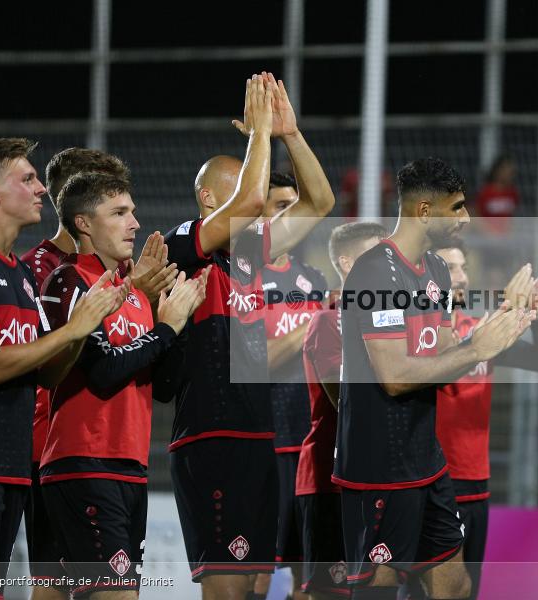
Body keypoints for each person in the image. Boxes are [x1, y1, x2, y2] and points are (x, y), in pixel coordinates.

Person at [163, 72, 335, 600]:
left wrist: (290, 134)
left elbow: (319, 202)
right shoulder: (178, 249)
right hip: (212, 439)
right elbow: (248, 201)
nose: (259, 201)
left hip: (257, 438)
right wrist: (258, 133)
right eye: (243, 189)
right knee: (228, 592)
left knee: (256, 588)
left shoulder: (247, 257)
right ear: (209, 196)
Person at [334, 157, 535, 600]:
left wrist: (505, 321)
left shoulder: (437, 271)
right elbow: (393, 376)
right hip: (378, 467)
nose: (466, 218)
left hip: (426, 460)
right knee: (378, 593)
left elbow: (446, 353)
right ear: (425, 211)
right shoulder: (374, 272)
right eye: (457, 207)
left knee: (455, 586)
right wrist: (477, 348)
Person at [0, 138, 125, 598]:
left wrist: (85, 325)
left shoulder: (22, 275)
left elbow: (46, 374)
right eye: (27, 179)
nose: (40, 189)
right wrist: (71, 332)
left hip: (10, 469)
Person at [39, 171, 208, 599]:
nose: (135, 223)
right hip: (84, 462)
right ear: (84, 223)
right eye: (119, 212)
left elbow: (164, 385)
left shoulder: (131, 293)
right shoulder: (70, 280)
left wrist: (177, 321)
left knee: (57, 592)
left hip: (128, 466)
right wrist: (165, 330)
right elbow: (103, 373)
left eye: (132, 210)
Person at [430, 242, 538, 599]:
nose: (461, 277)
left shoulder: (478, 329)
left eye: (463, 267)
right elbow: (452, 355)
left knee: (468, 590)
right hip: (431, 481)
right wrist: (504, 312)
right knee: (431, 590)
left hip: (476, 484)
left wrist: (537, 313)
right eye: (450, 268)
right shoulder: (418, 332)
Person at [296, 221, 387, 599]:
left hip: (376, 480)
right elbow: (346, 402)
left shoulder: (387, 320)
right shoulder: (328, 320)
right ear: (349, 264)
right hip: (329, 481)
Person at [259, 171, 328, 600]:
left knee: (309, 570)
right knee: (256, 569)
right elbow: (256, 359)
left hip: (311, 442)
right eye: (280, 207)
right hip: (265, 442)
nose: (292, 216)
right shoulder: (241, 277)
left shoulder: (315, 280)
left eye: (294, 207)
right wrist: (312, 324)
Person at [472, 154, 519, 237]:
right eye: (506, 171)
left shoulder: (512, 192)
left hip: (506, 237)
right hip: (487, 237)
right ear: (497, 170)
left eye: (511, 173)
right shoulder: (485, 192)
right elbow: (476, 215)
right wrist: (488, 232)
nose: (509, 175)